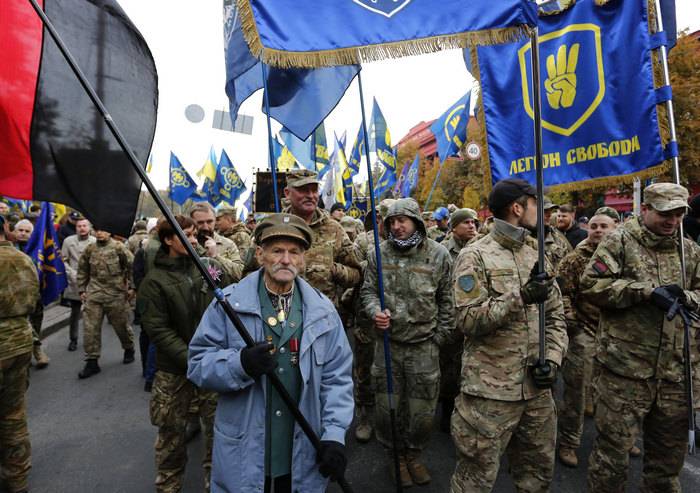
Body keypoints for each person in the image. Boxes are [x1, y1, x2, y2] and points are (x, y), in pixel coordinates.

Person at [188, 213, 353, 493]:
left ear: (304, 258)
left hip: (302, 448)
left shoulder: (323, 312)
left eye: (294, 252)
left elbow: (337, 379)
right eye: (277, 251)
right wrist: (238, 364)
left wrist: (334, 435)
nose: (285, 260)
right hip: (246, 449)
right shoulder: (230, 304)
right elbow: (197, 363)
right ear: (261, 254)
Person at [449, 178, 568, 493]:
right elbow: (467, 320)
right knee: (474, 480)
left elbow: (556, 316)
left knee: (537, 477)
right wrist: (521, 297)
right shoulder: (475, 255)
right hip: (489, 395)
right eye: (535, 204)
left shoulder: (536, 252)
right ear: (518, 208)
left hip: (536, 389)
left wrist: (553, 359)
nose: (540, 212)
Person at [581, 183, 700, 492]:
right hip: (625, 372)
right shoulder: (619, 242)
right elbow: (592, 285)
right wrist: (644, 292)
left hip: (675, 372)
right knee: (611, 460)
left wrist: (686, 298)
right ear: (645, 209)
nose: (672, 221)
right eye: (664, 214)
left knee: (666, 465)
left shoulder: (689, 250)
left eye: (678, 214)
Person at [360, 198, 455, 487]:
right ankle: (395, 456)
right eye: (391, 221)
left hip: (424, 346)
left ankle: (414, 454)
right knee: (387, 407)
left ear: (416, 221)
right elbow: (367, 293)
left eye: (402, 220)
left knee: (422, 412)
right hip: (388, 347)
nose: (397, 226)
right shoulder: (378, 253)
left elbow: (447, 301)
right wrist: (375, 311)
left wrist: (438, 340)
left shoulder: (438, 255)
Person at [137, 215, 230, 493]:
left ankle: (215, 484)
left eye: (193, 235)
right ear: (168, 240)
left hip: (212, 367)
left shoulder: (206, 269)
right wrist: (193, 358)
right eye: (186, 235)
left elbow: (226, 289)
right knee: (171, 436)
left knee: (218, 433)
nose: (193, 240)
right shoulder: (154, 282)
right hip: (175, 372)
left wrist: (216, 258)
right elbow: (158, 331)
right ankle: (169, 485)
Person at [556, 207, 619, 468]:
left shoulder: (624, 255)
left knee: (618, 393)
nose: (598, 231)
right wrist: (573, 323)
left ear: (615, 228)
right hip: (584, 330)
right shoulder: (575, 259)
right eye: (594, 226)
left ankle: (618, 440)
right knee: (576, 392)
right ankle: (569, 442)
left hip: (617, 332)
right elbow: (562, 293)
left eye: (604, 226)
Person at [0, 213, 39, 493]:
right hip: (21, 340)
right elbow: (34, 300)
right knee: (13, 414)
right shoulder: (23, 258)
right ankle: (18, 479)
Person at [282, 169, 361, 307]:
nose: (311, 196)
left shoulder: (334, 229)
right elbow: (249, 274)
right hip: (282, 315)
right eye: (303, 190)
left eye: (314, 190)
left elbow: (356, 274)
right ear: (287, 193)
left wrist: (333, 269)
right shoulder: (274, 228)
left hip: (323, 316)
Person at [351, 199, 395, 443]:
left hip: (396, 313)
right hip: (367, 315)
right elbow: (356, 274)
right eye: (383, 219)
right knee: (365, 366)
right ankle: (365, 414)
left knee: (393, 368)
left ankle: (389, 416)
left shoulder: (402, 239)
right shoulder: (363, 241)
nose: (388, 225)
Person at [439, 208, 479, 433]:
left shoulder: (482, 248)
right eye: (465, 222)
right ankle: (447, 413)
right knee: (449, 371)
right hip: (452, 321)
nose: (472, 226)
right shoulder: (443, 251)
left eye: (474, 222)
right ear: (453, 227)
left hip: (476, 319)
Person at [76, 229, 136, 378]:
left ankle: (129, 348)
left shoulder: (119, 247)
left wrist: (133, 287)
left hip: (115, 294)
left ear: (110, 232)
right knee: (90, 328)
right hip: (95, 294)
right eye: (97, 230)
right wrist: (82, 289)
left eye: (103, 230)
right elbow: (83, 269)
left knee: (121, 325)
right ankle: (92, 361)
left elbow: (132, 266)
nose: (99, 233)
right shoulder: (90, 249)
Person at [12, 219, 50, 369]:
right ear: (14, 232)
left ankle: (36, 349)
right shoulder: (9, 248)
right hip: (13, 296)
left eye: (27, 231)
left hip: (34, 295)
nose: (23, 233)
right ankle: (26, 353)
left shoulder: (38, 249)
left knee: (35, 322)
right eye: (20, 230)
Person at [61, 217, 95, 352]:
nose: (82, 228)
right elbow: (63, 260)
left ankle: (91, 339)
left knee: (92, 313)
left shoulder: (95, 242)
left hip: (92, 282)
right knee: (75, 312)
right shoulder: (68, 241)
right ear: (76, 228)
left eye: (84, 226)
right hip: (75, 281)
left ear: (89, 227)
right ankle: (73, 339)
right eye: (79, 226)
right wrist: (71, 273)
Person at [189, 203, 244, 281]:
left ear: (215, 220)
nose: (205, 227)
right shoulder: (185, 244)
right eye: (200, 223)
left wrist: (216, 257)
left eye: (209, 222)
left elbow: (240, 274)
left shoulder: (228, 244)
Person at [543, 196, 572, 269]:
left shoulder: (556, 236)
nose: (549, 214)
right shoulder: (525, 237)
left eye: (550, 211)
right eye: (545, 211)